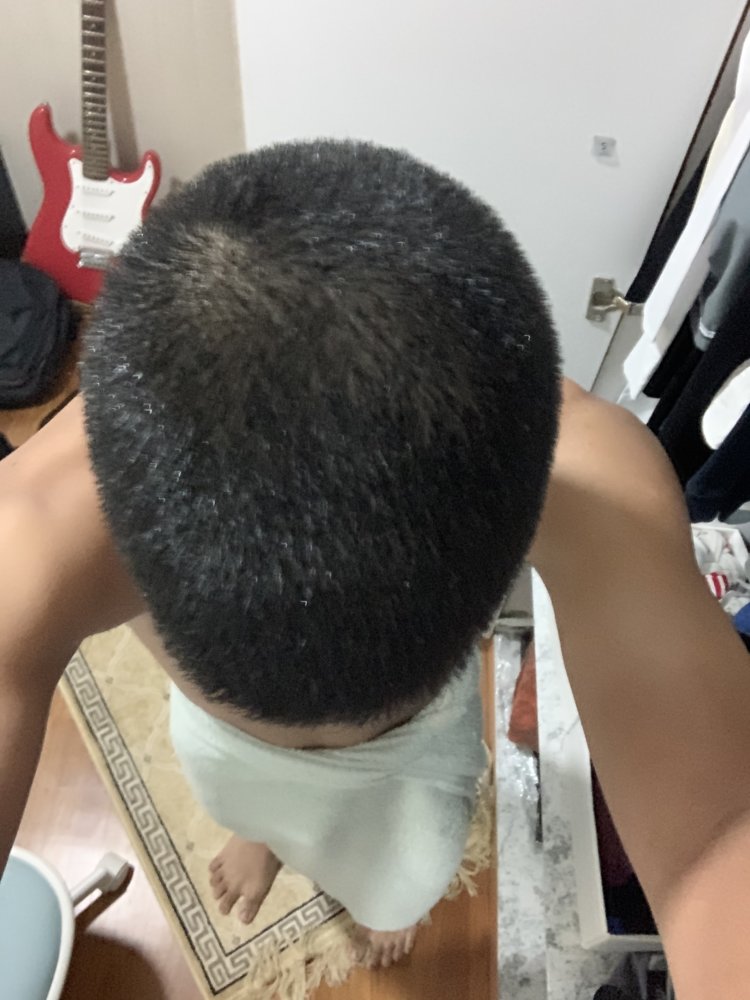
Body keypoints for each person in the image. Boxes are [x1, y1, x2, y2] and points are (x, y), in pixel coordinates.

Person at [1, 141, 748, 992]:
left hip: (410, 763)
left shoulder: (578, 476)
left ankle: (378, 892)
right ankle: (265, 835)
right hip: (225, 748)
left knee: (402, 877)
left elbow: (719, 835)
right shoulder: (42, 528)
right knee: (242, 802)